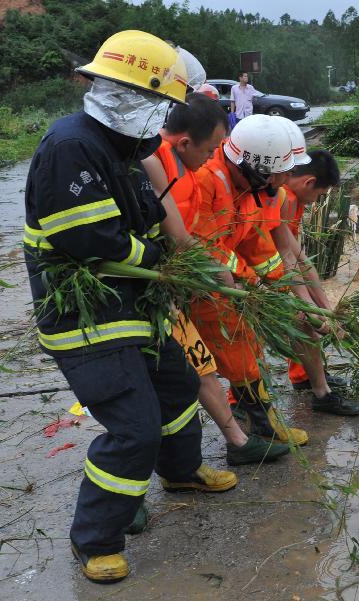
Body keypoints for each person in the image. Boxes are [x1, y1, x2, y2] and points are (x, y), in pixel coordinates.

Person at [23, 30, 237, 584]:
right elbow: (88, 238)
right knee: (134, 427)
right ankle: (95, 540)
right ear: (134, 97)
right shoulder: (71, 145)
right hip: (85, 316)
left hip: (130, 299)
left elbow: (147, 215)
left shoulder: (124, 147)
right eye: (162, 105)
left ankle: (182, 470)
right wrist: (163, 264)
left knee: (177, 386)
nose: (165, 120)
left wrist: (179, 262)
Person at [141, 91, 290, 466]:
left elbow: (252, 244)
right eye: (210, 149)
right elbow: (193, 239)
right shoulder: (184, 171)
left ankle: (239, 437)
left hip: (191, 284)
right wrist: (233, 281)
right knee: (185, 374)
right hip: (174, 288)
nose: (211, 156)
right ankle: (236, 439)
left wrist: (277, 289)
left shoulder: (202, 175)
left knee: (205, 366)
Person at [190, 114, 312, 445]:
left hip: (226, 284)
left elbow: (255, 243)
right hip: (202, 285)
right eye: (279, 174)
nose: (284, 181)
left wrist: (277, 288)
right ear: (258, 170)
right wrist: (249, 281)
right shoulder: (207, 182)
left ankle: (260, 422)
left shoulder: (244, 188)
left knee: (247, 346)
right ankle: (262, 426)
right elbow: (202, 245)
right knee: (237, 349)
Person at [267, 121, 359, 416]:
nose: (318, 200)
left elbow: (299, 257)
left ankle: (307, 377)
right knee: (302, 321)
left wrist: (325, 308)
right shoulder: (284, 199)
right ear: (309, 183)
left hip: (276, 267)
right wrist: (310, 308)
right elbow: (288, 259)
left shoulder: (292, 200)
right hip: (257, 271)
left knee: (307, 319)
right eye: (321, 195)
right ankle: (319, 392)